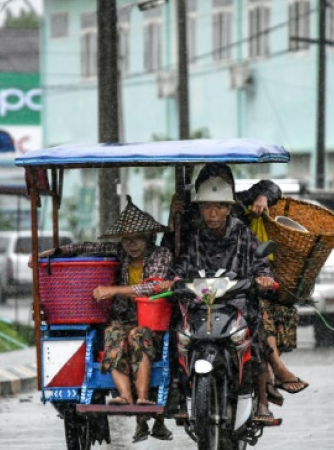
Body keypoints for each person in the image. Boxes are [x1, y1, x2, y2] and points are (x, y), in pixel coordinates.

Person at [36, 196, 174, 443]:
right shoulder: (119, 253)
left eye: (137, 239)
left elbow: (151, 288)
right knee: (113, 334)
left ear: (148, 237)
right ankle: (125, 396)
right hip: (121, 319)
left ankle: (142, 398)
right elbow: (87, 247)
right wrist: (52, 253)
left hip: (150, 322)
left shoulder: (161, 255)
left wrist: (114, 291)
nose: (131, 245)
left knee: (137, 335)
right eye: (127, 239)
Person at [166, 166, 280, 424]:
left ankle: (261, 400)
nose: (213, 213)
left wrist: (263, 277)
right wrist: (173, 279)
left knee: (257, 337)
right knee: (177, 335)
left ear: (229, 207)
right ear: (199, 207)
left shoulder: (243, 233)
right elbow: (181, 263)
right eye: (207, 207)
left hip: (237, 303)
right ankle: (181, 392)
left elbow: (260, 263)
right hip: (201, 306)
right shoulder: (193, 236)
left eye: (218, 207)